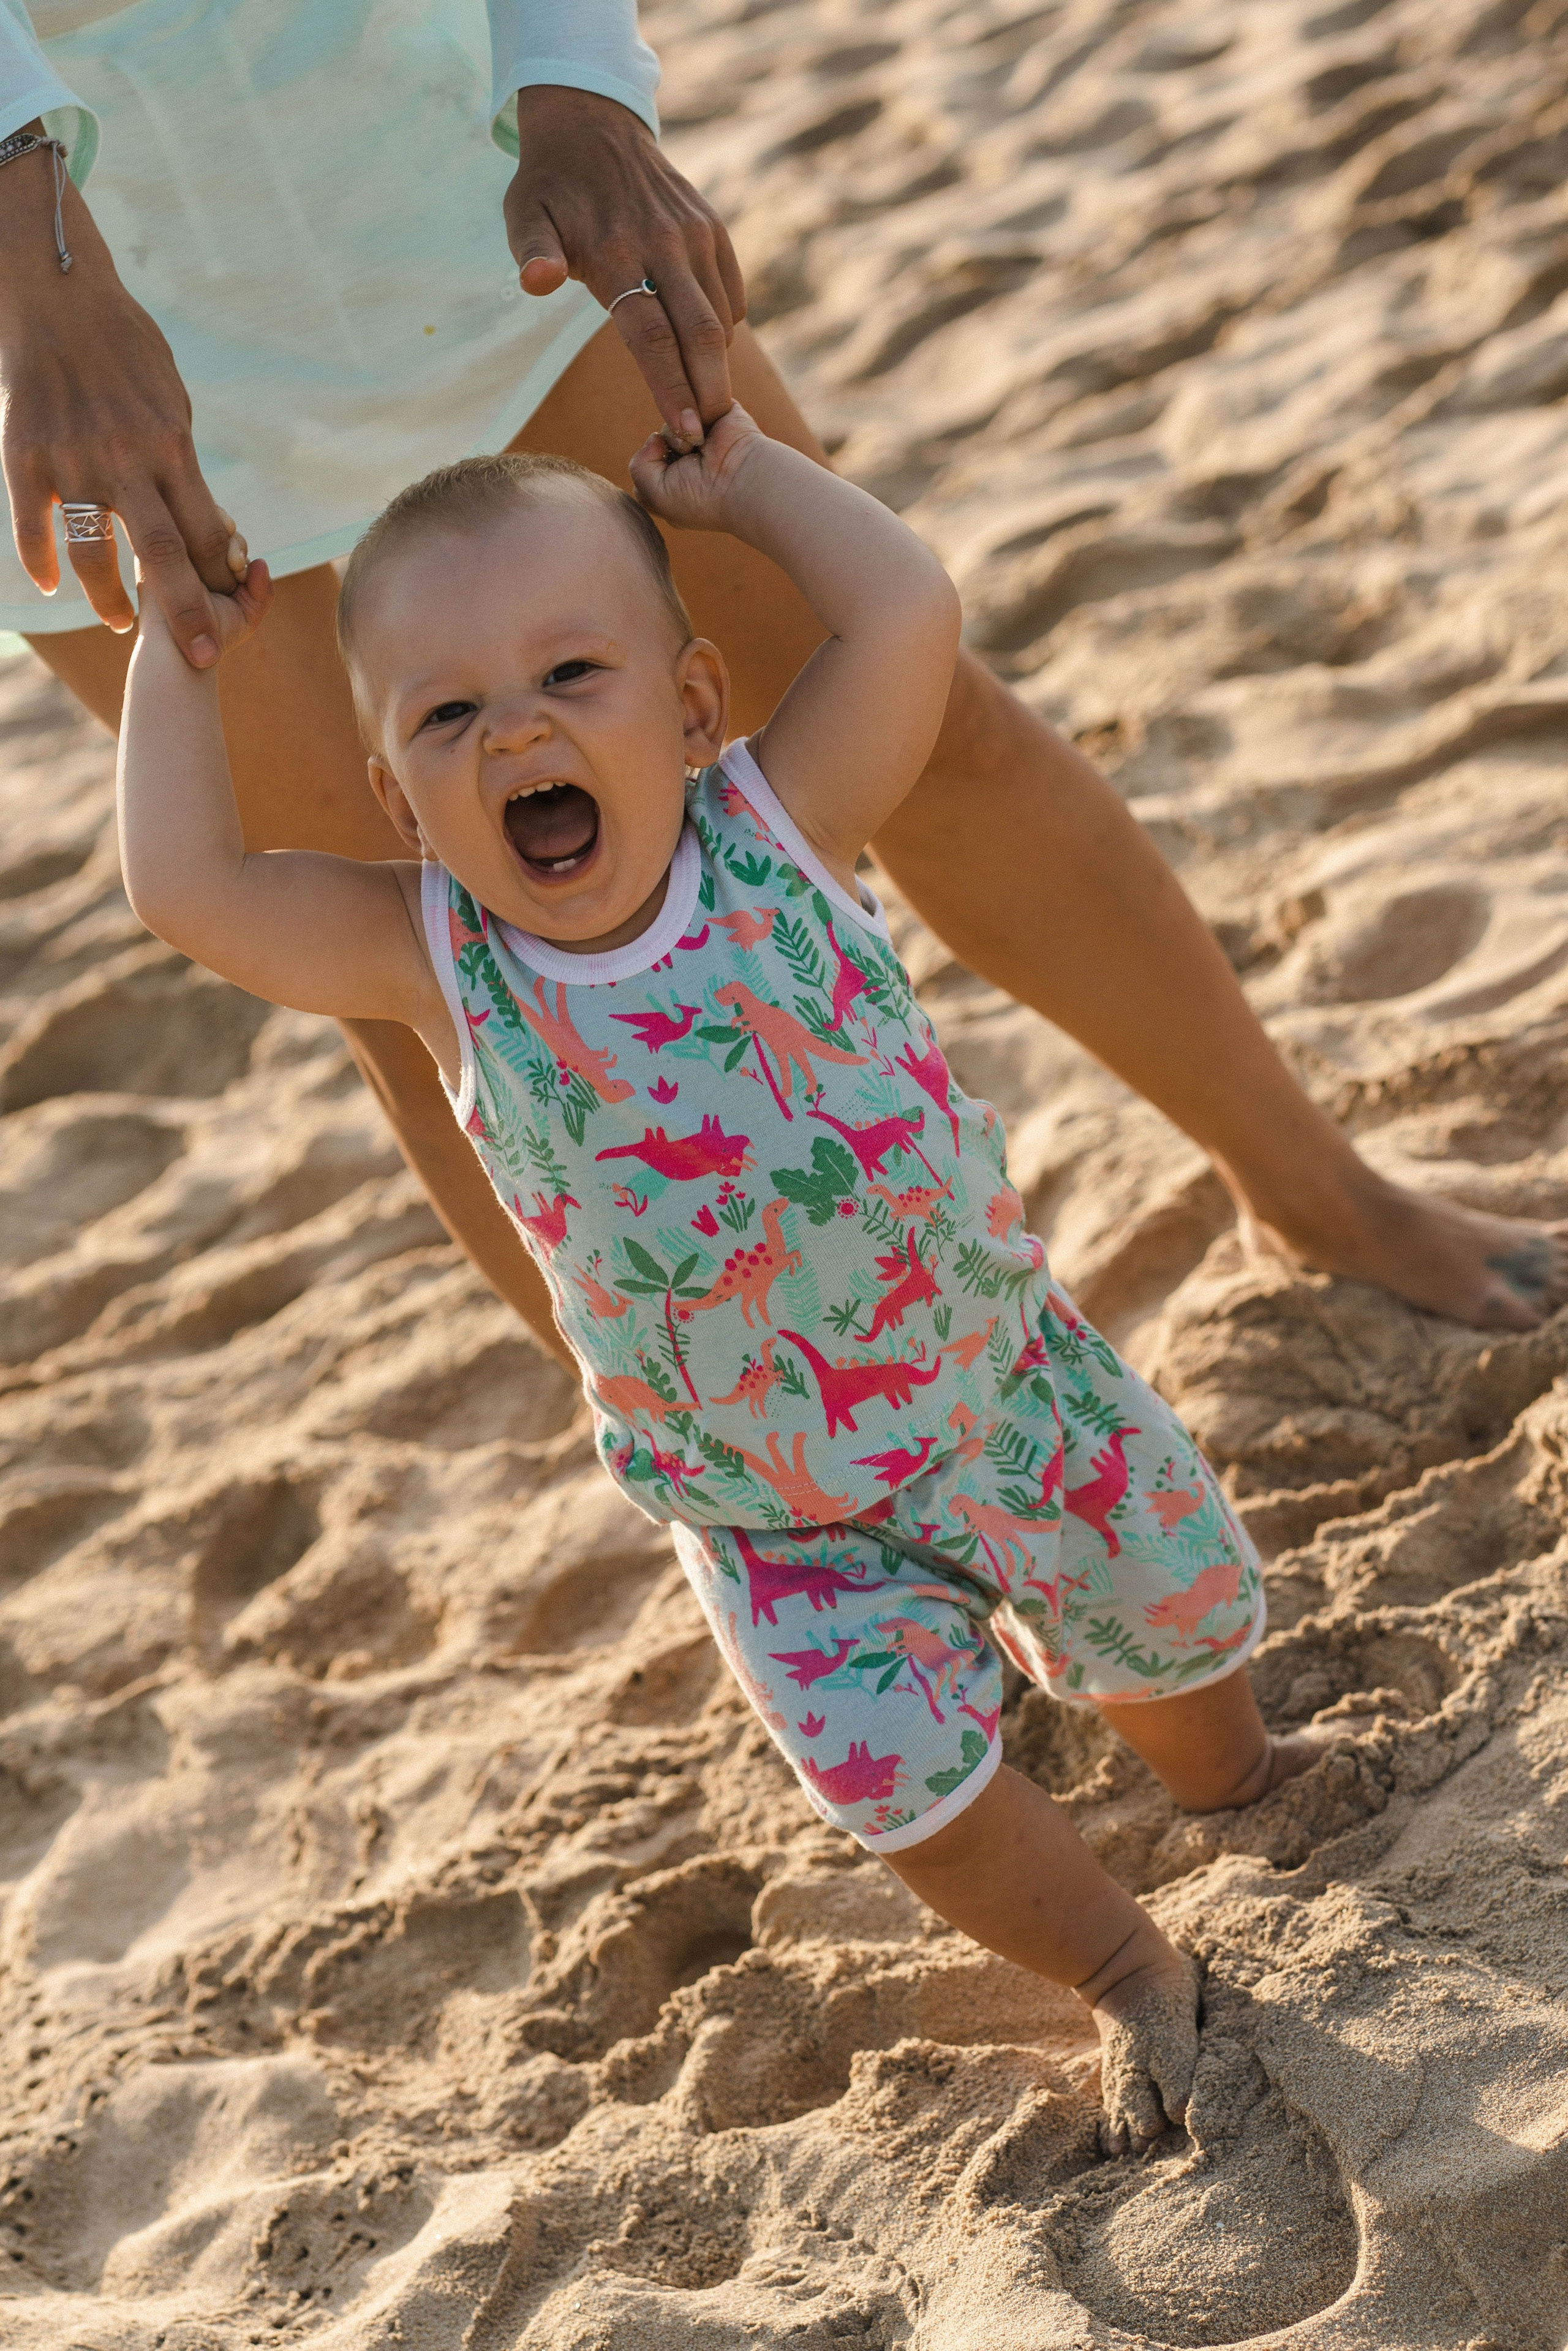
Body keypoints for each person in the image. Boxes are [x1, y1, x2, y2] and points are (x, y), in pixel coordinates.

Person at [115, 402, 1348, 2149]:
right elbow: (185, 884)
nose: (520, 727)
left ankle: (1236, 1777)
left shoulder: (778, 823)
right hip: (776, 1517)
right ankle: (1124, 1961)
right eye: (452, 713)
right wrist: (179, 656)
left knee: (1176, 1631)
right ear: (397, 794)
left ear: (692, 707)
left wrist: (749, 484)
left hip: (1004, 1385)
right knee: (916, 1800)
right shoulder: (430, 958)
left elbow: (907, 612)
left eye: (570, 673)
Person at [2, 2, 1564, 1363]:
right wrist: (38, 270)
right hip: (48, 310)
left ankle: (1312, 1192)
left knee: (913, 714)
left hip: (417, 160)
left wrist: (574, 81)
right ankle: (740, 1481)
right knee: (418, 956)